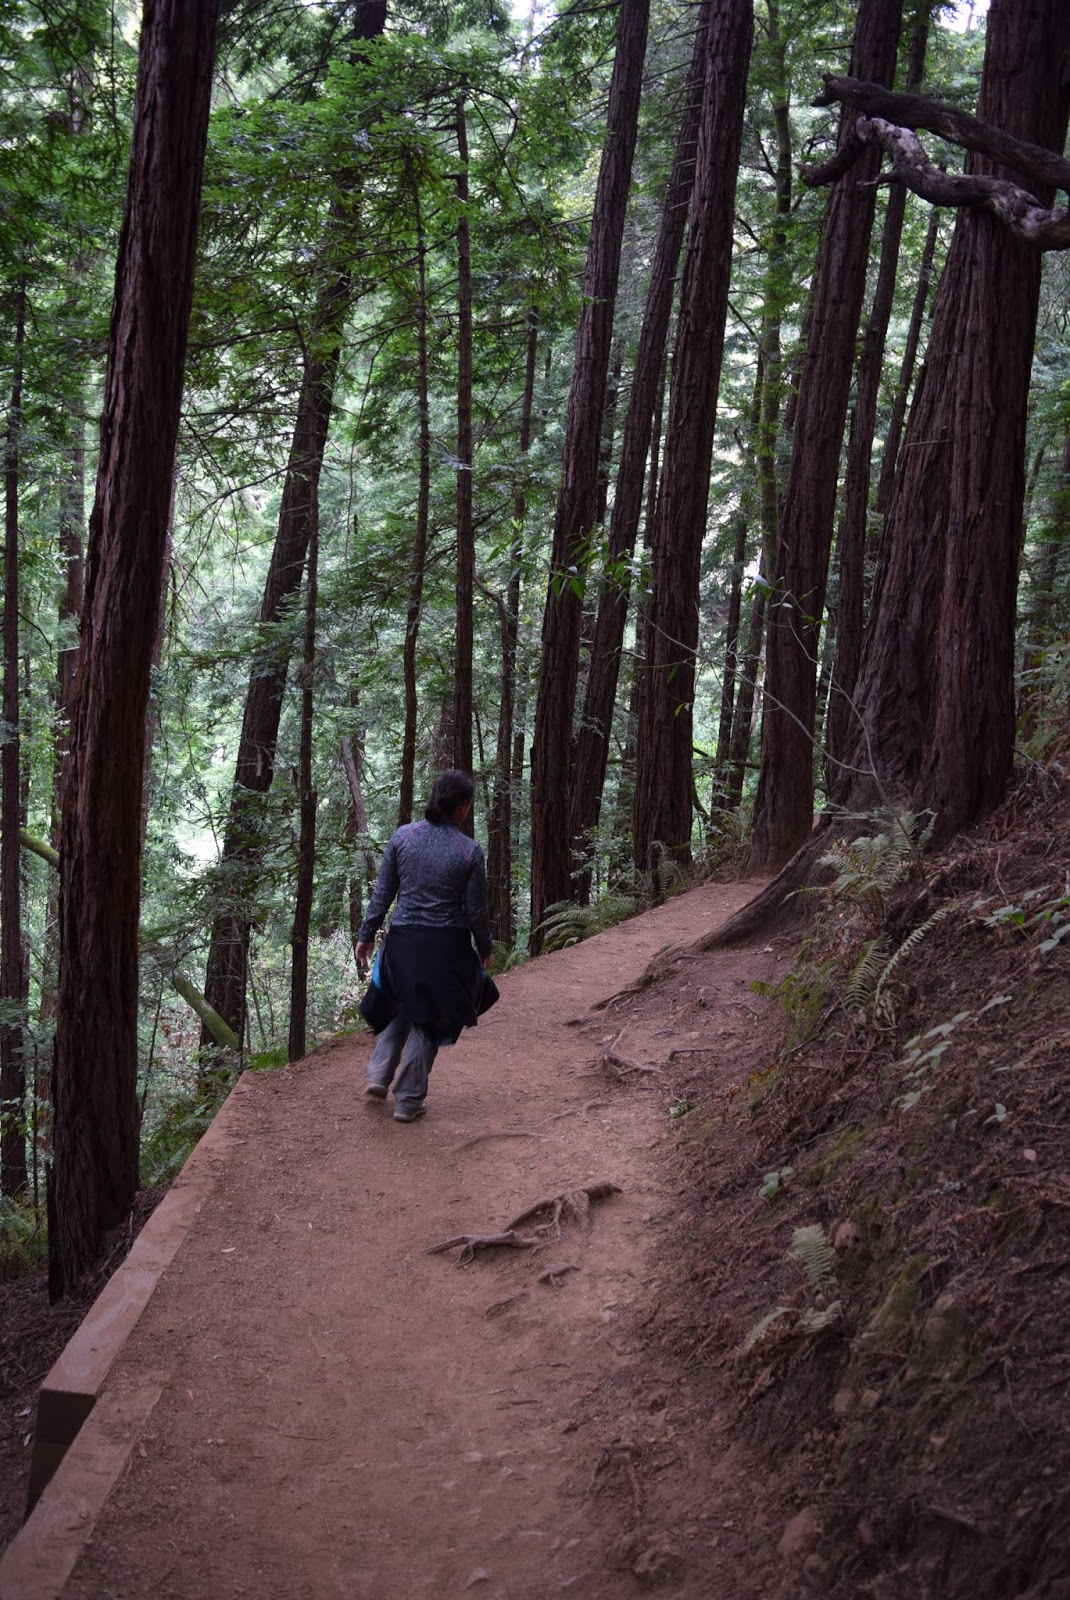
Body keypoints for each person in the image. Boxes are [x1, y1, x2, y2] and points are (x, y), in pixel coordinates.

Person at [355, 769, 494, 1123]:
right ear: (462, 807)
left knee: (400, 1002)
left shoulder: (403, 837)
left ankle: (378, 1076)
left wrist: (366, 935)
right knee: (430, 1020)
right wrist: (485, 947)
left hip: (402, 943)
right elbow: (476, 911)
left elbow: (383, 893)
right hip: (445, 948)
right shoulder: (469, 850)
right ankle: (407, 1100)